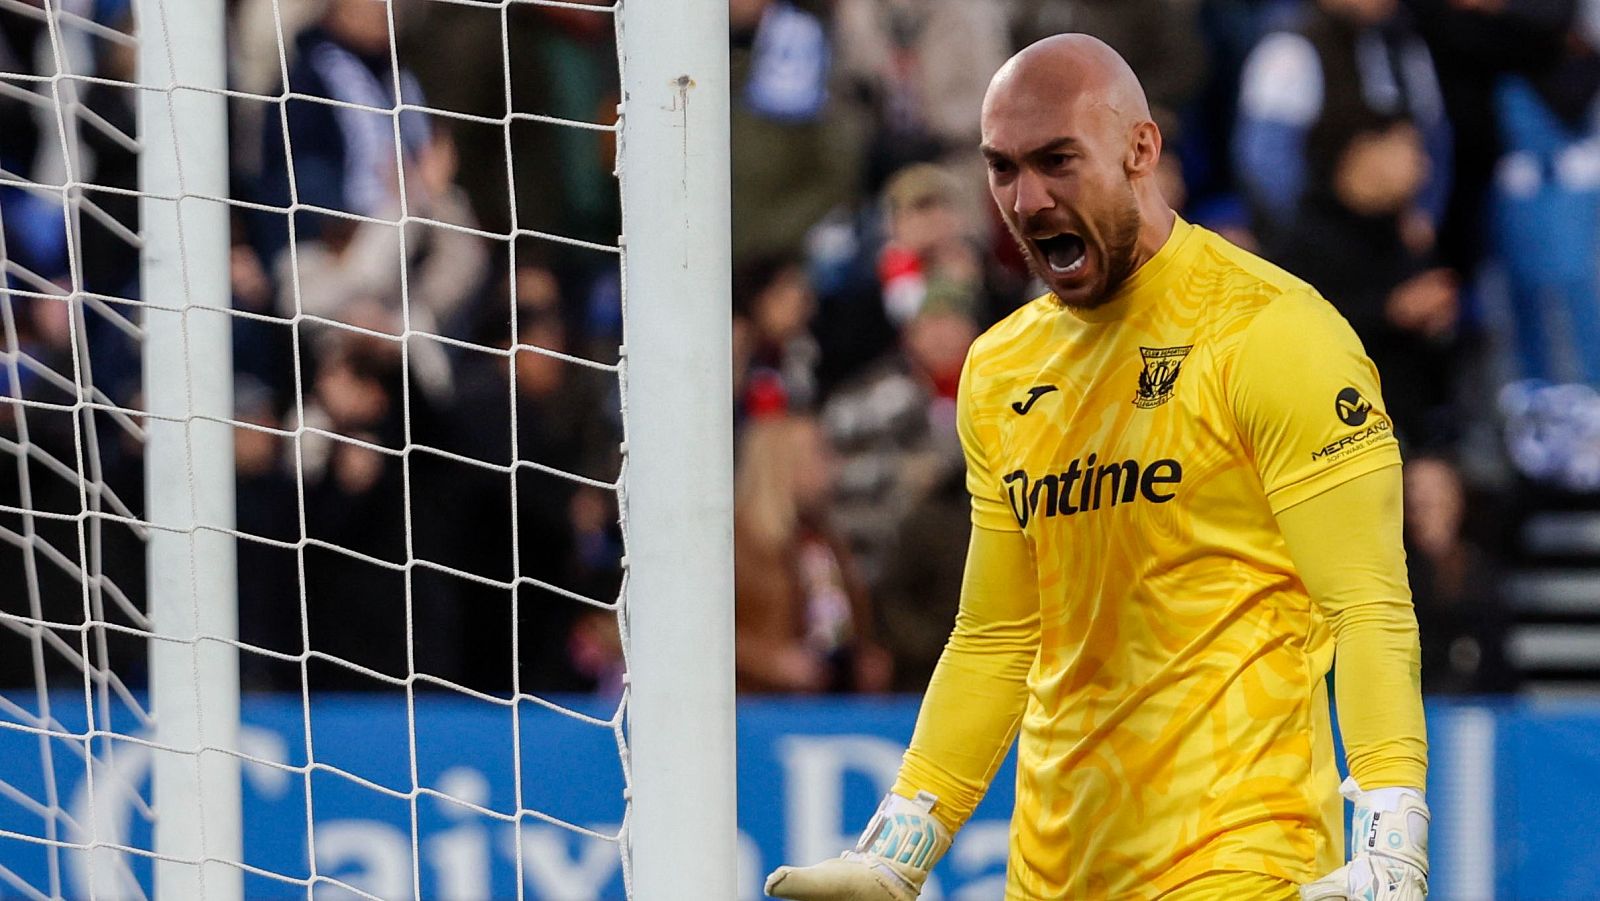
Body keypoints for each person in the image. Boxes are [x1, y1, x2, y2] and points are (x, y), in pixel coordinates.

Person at [766, 35, 1429, 901]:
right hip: (1052, 876)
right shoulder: (1001, 370)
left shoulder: (1275, 333)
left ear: (1141, 149)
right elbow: (997, 634)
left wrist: (1393, 842)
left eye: (1057, 161)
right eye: (1002, 168)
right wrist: (897, 849)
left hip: (1238, 862)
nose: (1028, 199)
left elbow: (1368, 603)